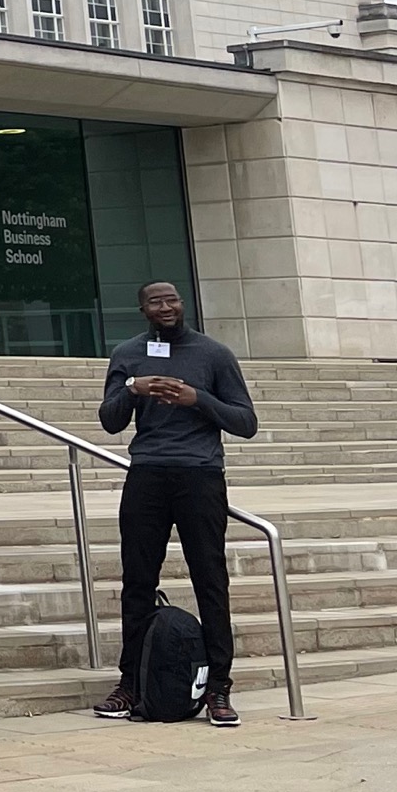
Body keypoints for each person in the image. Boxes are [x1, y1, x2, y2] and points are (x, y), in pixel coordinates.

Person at [93, 281, 258, 730]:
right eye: (155, 301)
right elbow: (109, 422)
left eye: (172, 299)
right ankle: (131, 682)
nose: (165, 307)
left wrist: (197, 399)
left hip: (200, 477)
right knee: (137, 581)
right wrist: (133, 388)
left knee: (210, 578)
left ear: (182, 304)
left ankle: (219, 688)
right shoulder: (128, 353)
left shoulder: (214, 354)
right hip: (147, 474)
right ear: (142, 308)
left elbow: (247, 422)